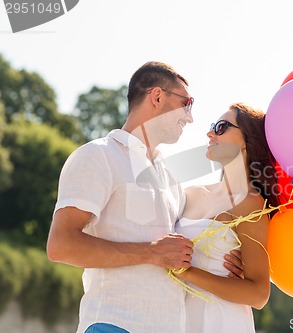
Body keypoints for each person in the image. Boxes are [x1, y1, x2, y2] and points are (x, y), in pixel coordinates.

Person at [46, 61, 243, 333]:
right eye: (187, 104)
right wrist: (152, 253)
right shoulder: (98, 155)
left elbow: (183, 245)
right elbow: (61, 245)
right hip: (113, 324)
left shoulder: (171, 179)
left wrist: (227, 260)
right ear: (158, 96)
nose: (190, 117)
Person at [174, 102, 281, 333]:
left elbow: (259, 294)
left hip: (221, 321)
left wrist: (187, 272)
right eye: (213, 126)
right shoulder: (190, 194)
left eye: (222, 127)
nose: (210, 133)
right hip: (178, 319)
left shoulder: (250, 204)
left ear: (247, 141)